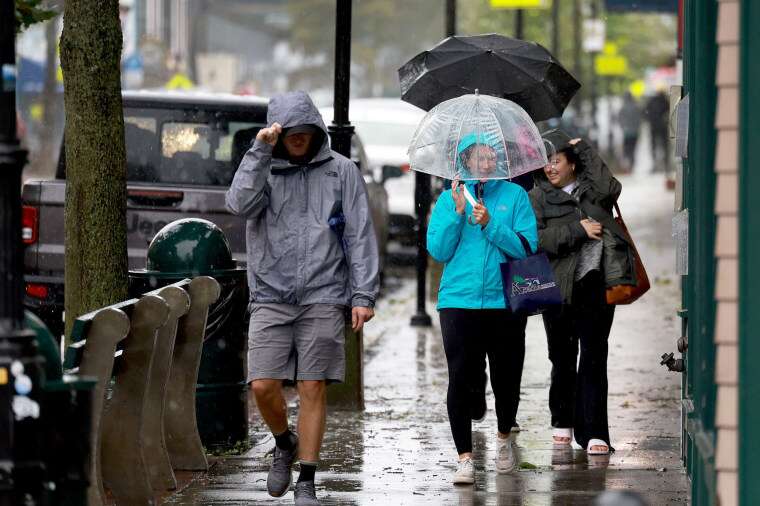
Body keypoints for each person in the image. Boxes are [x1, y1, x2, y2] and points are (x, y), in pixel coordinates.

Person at [225, 91, 379, 506]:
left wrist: (362, 294)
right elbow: (238, 203)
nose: (298, 138)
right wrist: (260, 150)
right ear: (279, 132)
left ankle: (307, 479)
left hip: (325, 293)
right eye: (290, 131)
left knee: (313, 385)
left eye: (305, 130)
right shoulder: (264, 169)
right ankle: (284, 441)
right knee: (261, 385)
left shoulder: (341, 172)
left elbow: (359, 234)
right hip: (271, 293)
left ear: (316, 129)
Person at [427, 133, 538, 485]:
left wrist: (491, 223)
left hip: (504, 301)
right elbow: (439, 251)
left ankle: (504, 436)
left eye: (493, 157)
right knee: (460, 377)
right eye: (482, 157)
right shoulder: (449, 199)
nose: (489, 163)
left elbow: (525, 248)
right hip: (457, 301)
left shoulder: (515, 196)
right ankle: (464, 458)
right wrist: (458, 215)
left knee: (506, 377)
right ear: (465, 161)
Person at [529, 129, 628, 456]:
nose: (550, 168)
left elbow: (613, 187)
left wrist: (584, 147)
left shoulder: (593, 191)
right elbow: (535, 240)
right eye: (546, 162)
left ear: (572, 163)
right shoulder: (538, 197)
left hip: (596, 284)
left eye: (556, 160)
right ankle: (562, 419)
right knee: (561, 356)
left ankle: (595, 432)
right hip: (556, 288)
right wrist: (577, 230)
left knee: (594, 356)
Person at [644, 90, 671, 173]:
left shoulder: (652, 101)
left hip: (654, 126)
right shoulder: (665, 101)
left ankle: (655, 164)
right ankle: (666, 164)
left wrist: (650, 120)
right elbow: (670, 111)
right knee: (664, 146)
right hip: (663, 127)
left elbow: (645, 112)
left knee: (654, 146)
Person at [617, 92, 641, 172]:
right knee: (633, 149)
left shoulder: (623, 107)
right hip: (634, 132)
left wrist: (623, 127)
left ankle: (627, 165)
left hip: (626, 132)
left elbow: (620, 119)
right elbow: (639, 119)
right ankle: (631, 164)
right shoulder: (636, 107)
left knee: (627, 149)